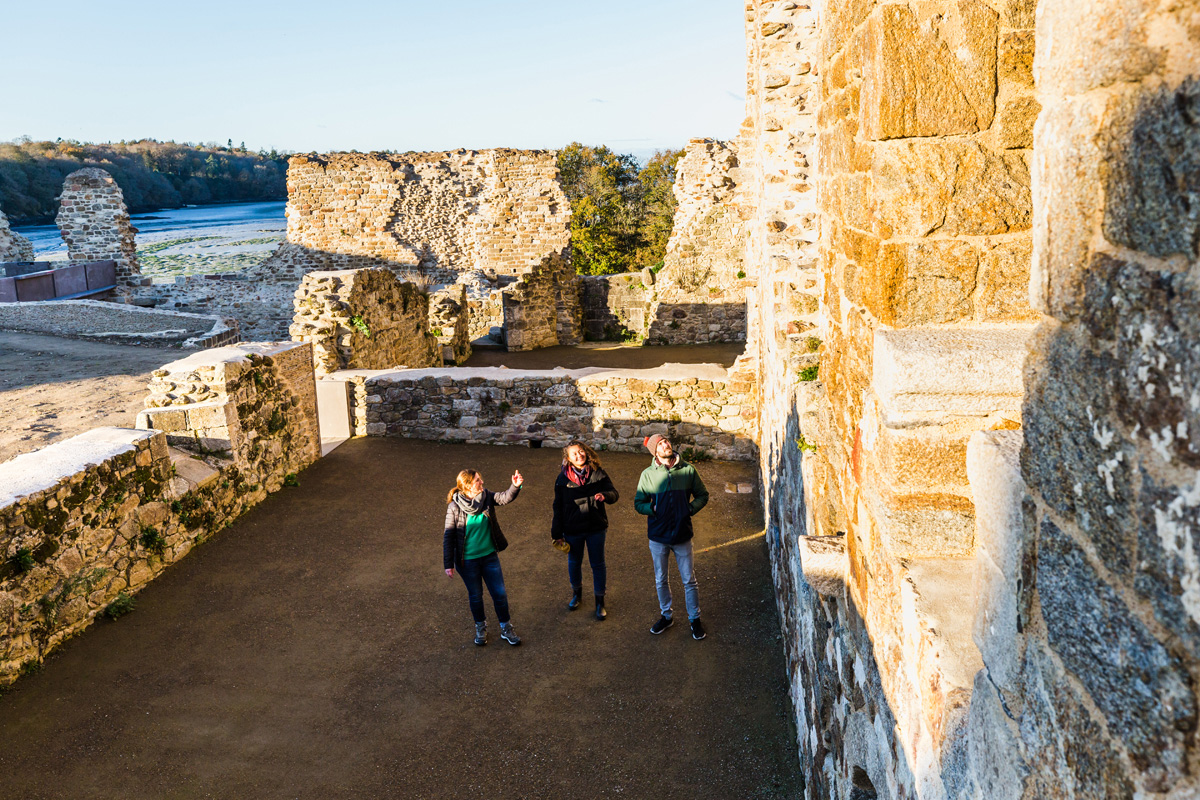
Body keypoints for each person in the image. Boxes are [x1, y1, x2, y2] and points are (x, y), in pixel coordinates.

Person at [633, 434, 710, 640]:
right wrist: (653, 508)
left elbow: (703, 495)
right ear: (654, 452)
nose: (666, 444)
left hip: (682, 534)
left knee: (689, 580)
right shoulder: (648, 474)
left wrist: (690, 509)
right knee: (661, 579)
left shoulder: (687, 470)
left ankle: (694, 620)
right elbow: (638, 503)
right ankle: (666, 616)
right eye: (660, 444)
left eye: (666, 441)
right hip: (658, 537)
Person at [444, 468, 524, 646]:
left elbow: (504, 498)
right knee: (476, 596)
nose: (482, 483)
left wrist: (515, 486)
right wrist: (448, 564)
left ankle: (506, 628)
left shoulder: (486, 497)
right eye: (477, 481)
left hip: (489, 557)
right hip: (467, 561)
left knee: (500, 594)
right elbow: (449, 536)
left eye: (480, 479)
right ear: (466, 485)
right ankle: (480, 627)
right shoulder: (455, 507)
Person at [551, 440, 619, 620]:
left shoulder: (598, 473)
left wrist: (605, 495)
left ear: (586, 453)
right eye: (574, 454)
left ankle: (600, 602)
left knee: (597, 564)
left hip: (596, 527)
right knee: (574, 562)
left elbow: (614, 494)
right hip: (573, 530)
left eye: (581, 452)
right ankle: (577, 595)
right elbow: (557, 507)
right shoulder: (562, 479)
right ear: (568, 458)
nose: (579, 456)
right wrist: (556, 533)